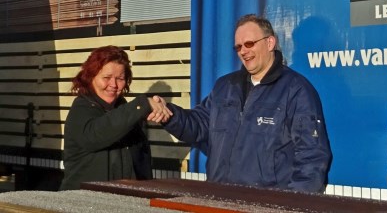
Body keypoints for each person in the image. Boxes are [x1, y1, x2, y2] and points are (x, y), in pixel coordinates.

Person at [162, 14, 332, 193]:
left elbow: (312, 158)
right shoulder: (224, 87)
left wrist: (291, 206)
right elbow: (197, 126)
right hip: (218, 200)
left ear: (270, 43)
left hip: (266, 206)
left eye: (249, 44)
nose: (243, 51)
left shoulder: (296, 90)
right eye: (238, 47)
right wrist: (168, 115)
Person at [59, 46, 172, 190]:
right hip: (84, 203)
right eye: (106, 77)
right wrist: (140, 105)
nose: (113, 84)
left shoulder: (127, 112)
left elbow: (142, 162)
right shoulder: (81, 109)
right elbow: (97, 135)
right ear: (91, 77)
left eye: (120, 78)